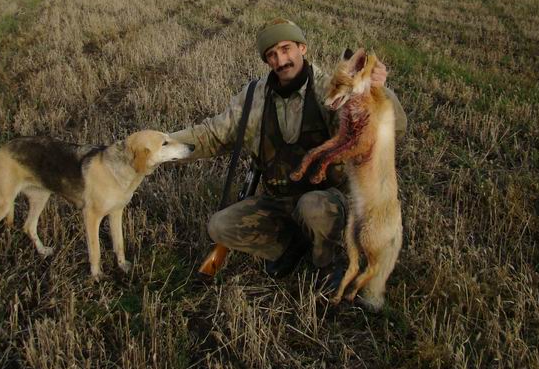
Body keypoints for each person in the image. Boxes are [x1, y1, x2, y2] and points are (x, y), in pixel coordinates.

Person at [170, 18, 407, 279]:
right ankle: (293, 244)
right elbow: (213, 135)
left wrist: (377, 91)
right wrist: (163, 144)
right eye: (271, 55)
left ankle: (325, 259)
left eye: (286, 49)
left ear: (302, 48)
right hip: (278, 199)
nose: (280, 60)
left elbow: (389, 130)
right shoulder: (253, 97)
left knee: (313, 208)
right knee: (220, 226)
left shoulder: (330, 90)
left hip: (325, 197)